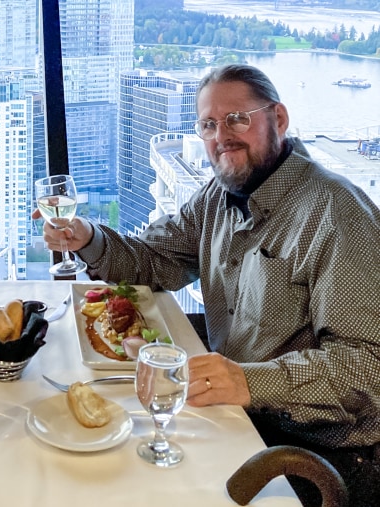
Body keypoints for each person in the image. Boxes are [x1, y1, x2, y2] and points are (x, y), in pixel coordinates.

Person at [34, 64, 380, 506]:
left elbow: (370, 367)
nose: (222, 136)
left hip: (322, 459)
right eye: (209, 125)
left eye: (237, 118)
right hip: (233, 418)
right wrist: (87, 237)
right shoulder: (218, 195)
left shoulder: (336, 213)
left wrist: (251, 383)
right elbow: (155, 259)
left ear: (278, 120)